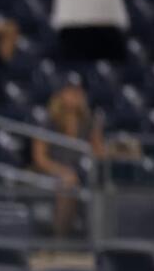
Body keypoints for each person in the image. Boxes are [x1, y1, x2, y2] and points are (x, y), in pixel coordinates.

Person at [31, 84, 103, 237]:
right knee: (67, 183)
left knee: (97, 184)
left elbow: (98, 152)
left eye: (78, 91)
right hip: (51, 172)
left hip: (80, 172)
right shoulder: (49, 121)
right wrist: (62, 171)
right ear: (61, 94)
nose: (74, 95)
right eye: (70, 91)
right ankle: (60, 239)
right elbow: (40, 159)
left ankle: (95, 238)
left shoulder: (88, 122)